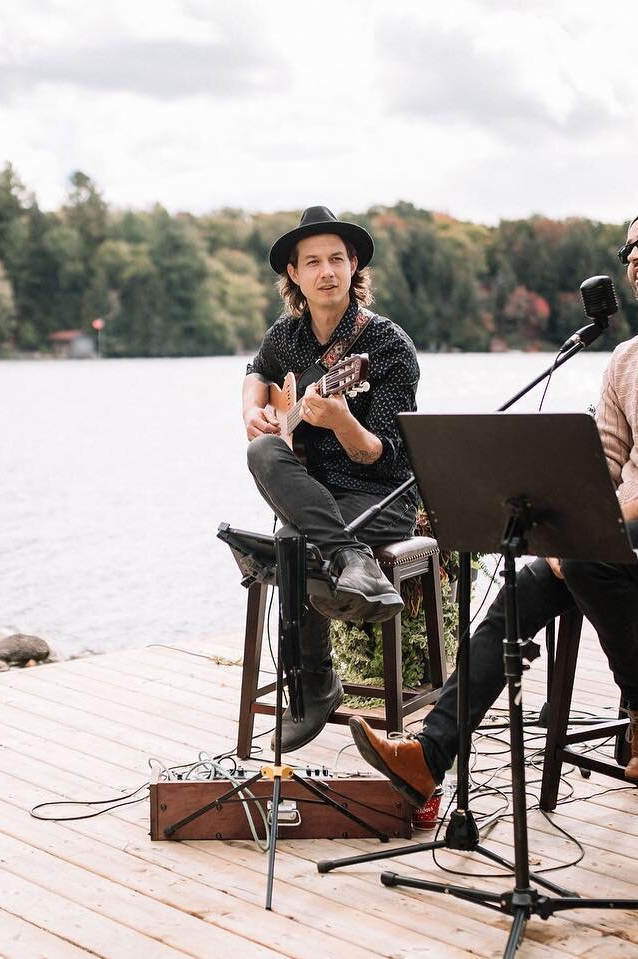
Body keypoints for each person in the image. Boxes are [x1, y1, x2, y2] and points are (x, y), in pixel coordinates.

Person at [349, 205, 638, 806]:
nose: (631, 255)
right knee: (520, 590)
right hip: (621, 534)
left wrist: (597, 525)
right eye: (626, 248)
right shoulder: (626, 358)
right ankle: (430, 754)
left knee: (586, 557)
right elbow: (603, 462)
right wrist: (567, 519)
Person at [244, 205, 421, 752]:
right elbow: (257, 370)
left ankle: (315, 685)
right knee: (265, 451)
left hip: (378, 494)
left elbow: (384, 457)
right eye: (313, 261)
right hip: (315, 495)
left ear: (354, 267)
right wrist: (255, 408)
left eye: (337, 259)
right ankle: (350, 559)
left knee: (291, 544)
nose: (327, 271)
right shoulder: (288, 336)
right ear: (293, 275)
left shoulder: (388, 345)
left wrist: (342, 419)